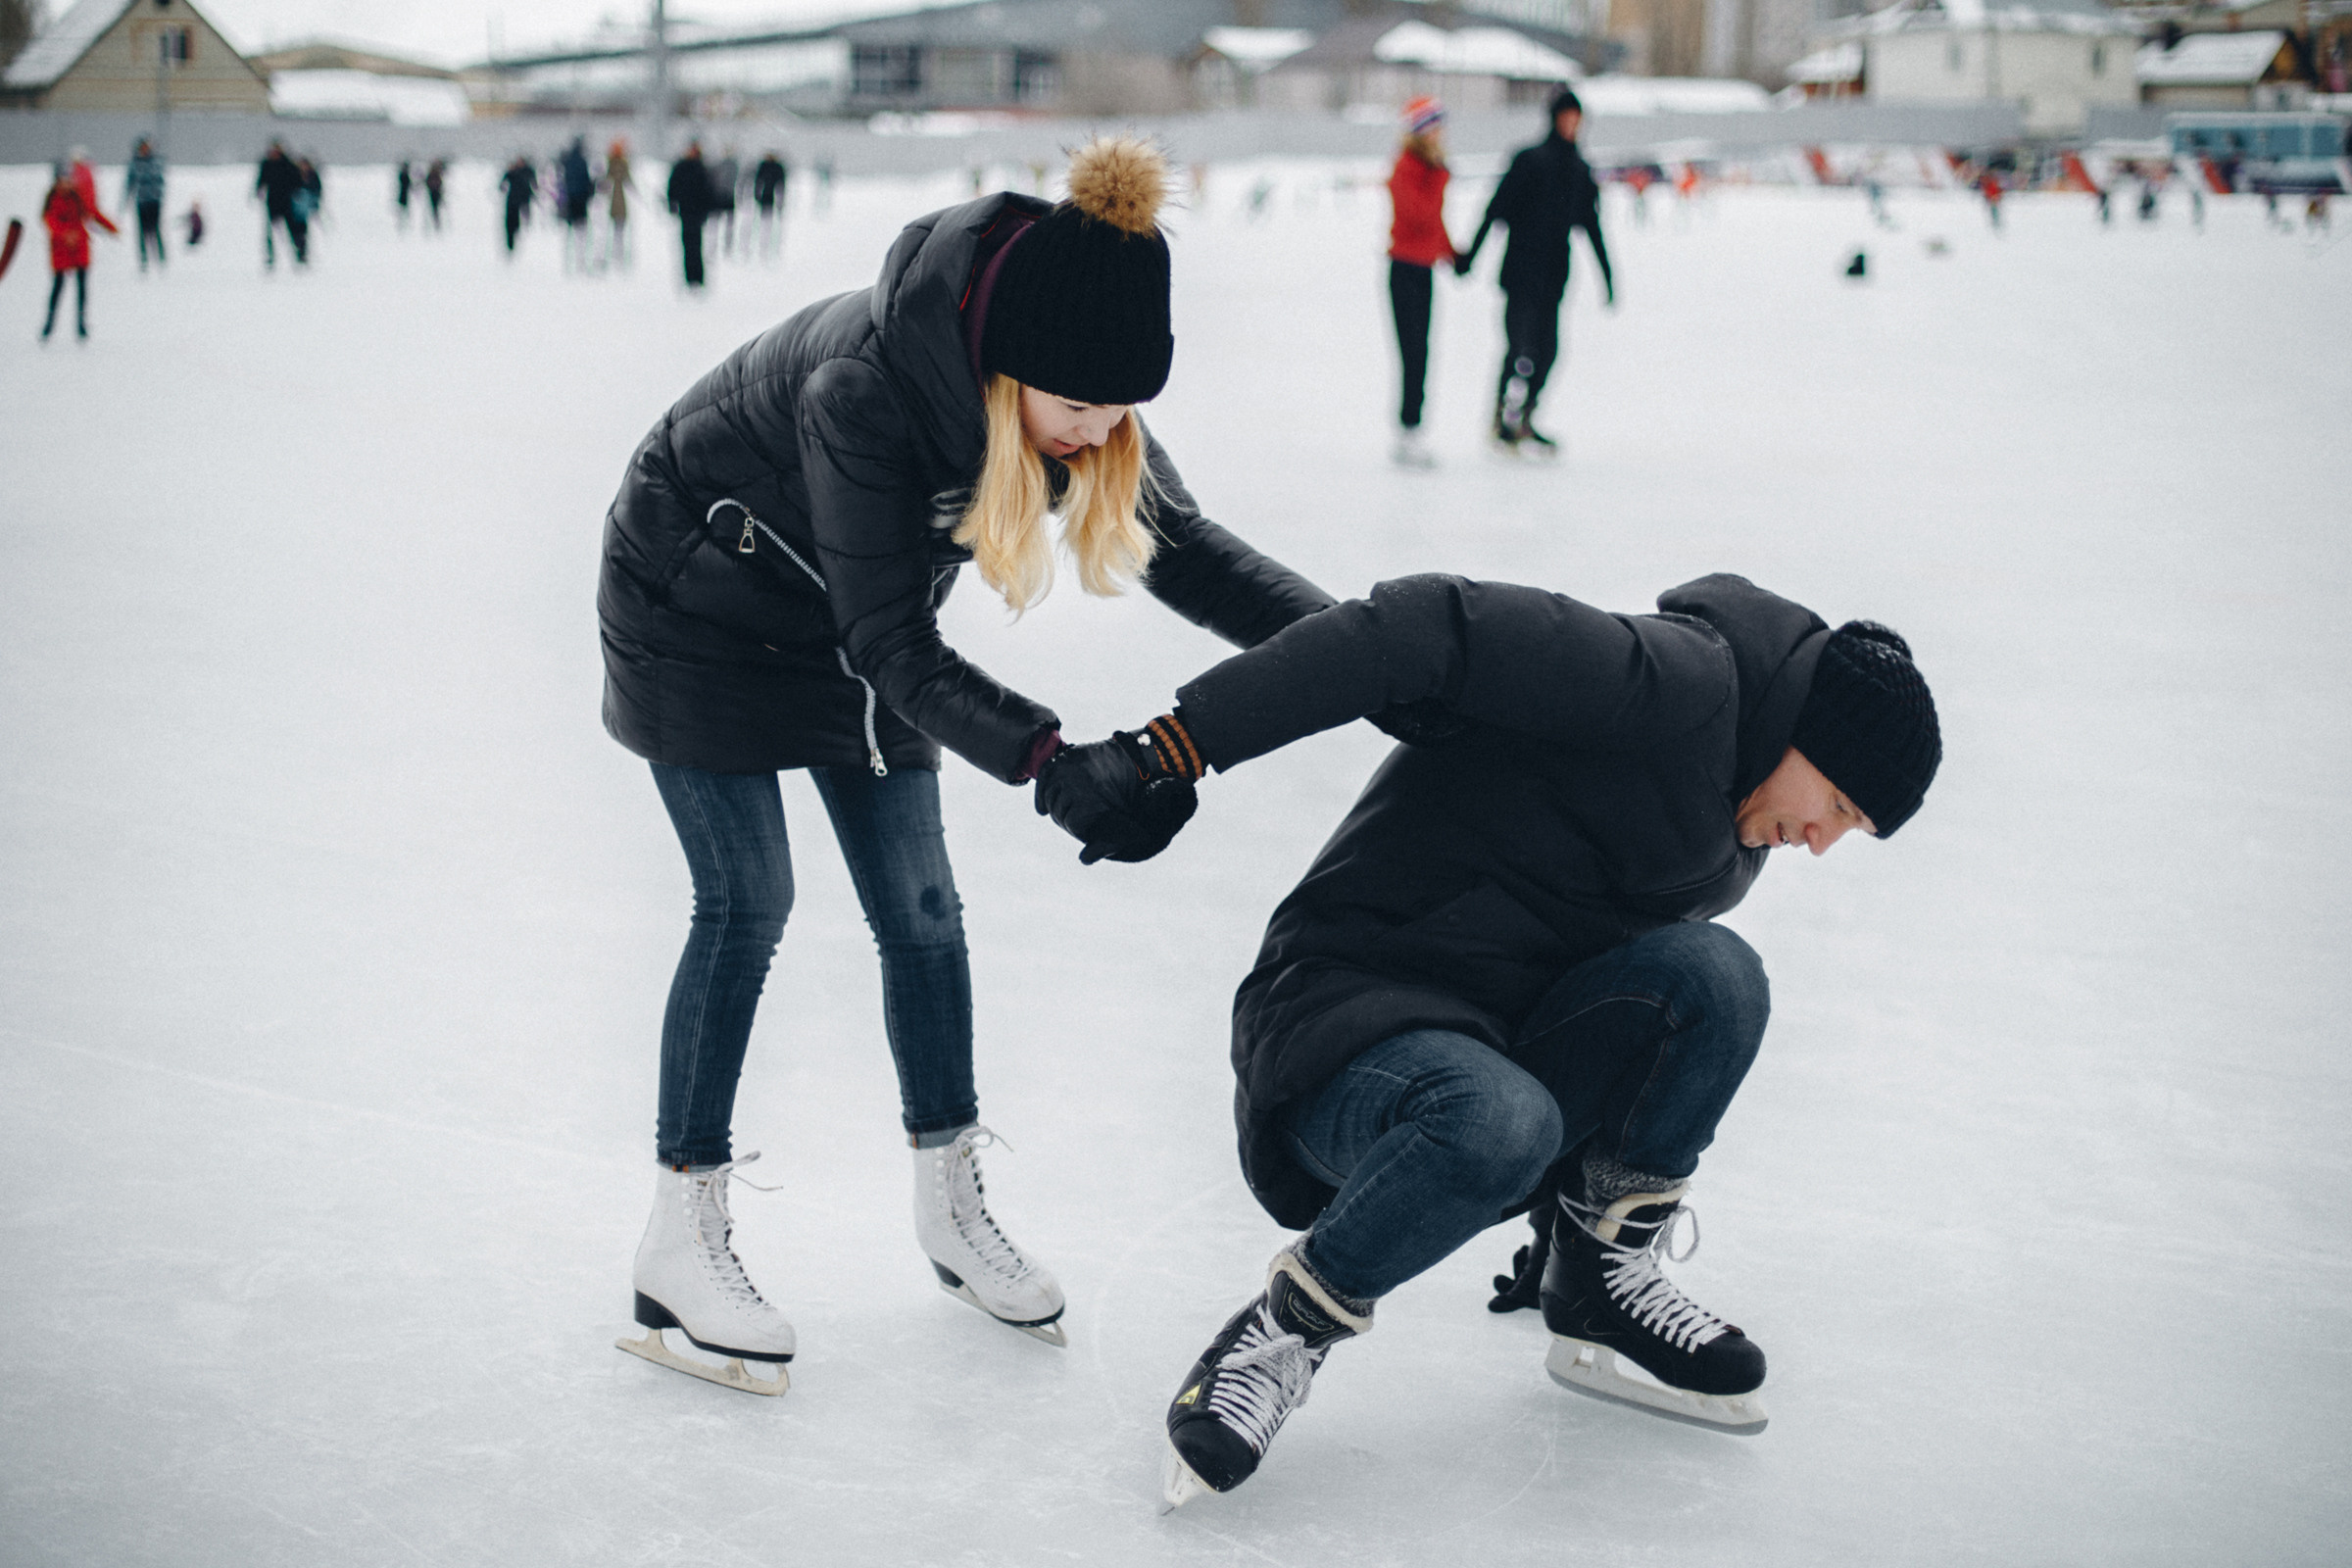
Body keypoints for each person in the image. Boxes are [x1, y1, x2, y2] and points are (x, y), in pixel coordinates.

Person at [599, 137, 1334, 1393]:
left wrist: (1367, 653)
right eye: (1076, 411)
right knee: (749, 902)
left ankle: (948, 1199)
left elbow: (1194, 556)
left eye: (1120, 413)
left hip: (843, 619)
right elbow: (892, 642)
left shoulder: (1077, 398)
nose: (1097, 438)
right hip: (696, 604)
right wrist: (1055, 763)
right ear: (1007, 372)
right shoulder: (866, 391)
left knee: (924, 912)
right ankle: (681, 1227)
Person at [1032, 572, 1940, 1507]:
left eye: (1851, 831)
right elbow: (1415, 630)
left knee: (1716, 977)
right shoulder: (1670, 680)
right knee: (1500, 1118)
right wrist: (1169, 749)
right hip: (1347, 1026)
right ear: (1804, 734)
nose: (1823, 842)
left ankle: (1596, 1273)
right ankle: (1284, 1332)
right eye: (1838, 804)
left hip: (1497, 1048)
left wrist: (1570, 1204)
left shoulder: (1740, 799)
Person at [1455, 88, 1613, 457]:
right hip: (1521, 272)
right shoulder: (1529, 161)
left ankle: (1524, 416)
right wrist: (1472, 257)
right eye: (1567, 117)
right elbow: (1495, 211)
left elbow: (1591, 226)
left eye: (1577, 118)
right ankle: (1501, 418)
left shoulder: (1579, 170)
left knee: (1548, 353)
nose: (1572, 125)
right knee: (1518, 347)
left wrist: (1607, 276)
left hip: (1555, 276)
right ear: (1554, 118)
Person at [1384, 97, 1456, 470]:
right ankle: (1407, 429)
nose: (1440, 133)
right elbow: (1418, 216)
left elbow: (1436, 224)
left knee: (1422, 352)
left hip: (1424, 268)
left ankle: (1413, 426)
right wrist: (1439, 177)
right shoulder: (1406, 169)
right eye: (1434, 126)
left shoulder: (1428, 169)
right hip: (1404, 270)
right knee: (1411, 352)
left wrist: (1452, 254)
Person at [39, 162, 119, 340]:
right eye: (62, 180)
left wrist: (111, 227)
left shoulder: (78, 197)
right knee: (58, 287)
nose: (66, 184)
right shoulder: (52, 200)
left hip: (80, 249)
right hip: (61, 250)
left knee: (82, 287)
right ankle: (49, 323)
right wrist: (65, 232)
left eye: (68, 180)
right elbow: (50, 220)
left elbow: (92, 213)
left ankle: (81, 323)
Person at [664, 141, 713, 288]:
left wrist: (707, 209)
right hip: (685, 212)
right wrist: (672, 204)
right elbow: (672, 187)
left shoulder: (701, 168)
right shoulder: (681, 167)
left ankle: (698, 278)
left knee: (697, 246)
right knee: (687, 245)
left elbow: (708, 191)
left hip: (697, 213)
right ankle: (689, 278)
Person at [256, 140, 307, 268]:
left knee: (292, 229)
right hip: (272, 202)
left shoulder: (288, 164)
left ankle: (300, 253)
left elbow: (297, 181)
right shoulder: (267, 164)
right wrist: (258, 190)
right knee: (270, 231)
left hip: (286, 202)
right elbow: (261, 179)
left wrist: (297, 192)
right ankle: (271, 255)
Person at [124, 136, 166, 271]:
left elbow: (160, 179)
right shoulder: (135, 163)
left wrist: (159, 193)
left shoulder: (155, 162)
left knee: (156, 229)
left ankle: (161, 257)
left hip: (154, 200)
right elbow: (129, 183)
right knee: (142, 231)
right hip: (142, 201)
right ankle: (144, 258)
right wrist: (126, 200)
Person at [559, 136, 596, 272]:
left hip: (570, 200)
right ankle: (581, 261)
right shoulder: (582, 162)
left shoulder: (567, 161)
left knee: (570, 231)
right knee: (581, 231)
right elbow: (586, 181)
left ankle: (568, 262)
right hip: (580, 200)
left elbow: (564, 180)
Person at [603, 139, 635, 270]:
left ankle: (616, 254)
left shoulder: (611, 165)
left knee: (616, 229)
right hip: (616, 202)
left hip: (614, 202)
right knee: (618, 229)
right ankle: (617, 254)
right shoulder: (618, 165)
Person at [499, 155, 537, 256]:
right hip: (512, 202)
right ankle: (510, 245)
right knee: (510, 225)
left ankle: (515, 239)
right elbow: (502, 184)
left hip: (520, 202)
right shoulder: (513, 172)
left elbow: (533, 183)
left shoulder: (525, 171)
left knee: (515, 224)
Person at [752, 150, 788, 258]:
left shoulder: (777, 167)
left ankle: (769, 245)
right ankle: (761, 243)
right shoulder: (764, 166)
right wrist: (757, 195)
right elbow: (758, 182)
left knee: (770, 223)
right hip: (764, 198)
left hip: (772, 198)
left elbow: (781, 185)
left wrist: (780, 200)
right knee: (764, 222)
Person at [710, 146, 742, 256]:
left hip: (729, 198)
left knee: (728, 225)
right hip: (719, 198)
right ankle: (713, 247)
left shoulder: (734, 166)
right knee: (716, 224)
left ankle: (727, 247)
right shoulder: (719, 165)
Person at [423, 158, 449, 232]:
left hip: (436, 193)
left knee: (436, 208)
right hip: (433, 193)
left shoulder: (436, 174)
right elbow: (428, 183)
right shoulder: (432, 174)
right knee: (434, 209)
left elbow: (439, 183)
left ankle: (437, 223)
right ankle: (435, 223)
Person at [396, 160, 414, 231]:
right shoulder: (403, 175)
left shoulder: (404, 175)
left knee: (404, 209)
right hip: (403, 194)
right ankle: (402, 223)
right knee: (403, 209)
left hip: (405, 194)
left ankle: (405, 222)